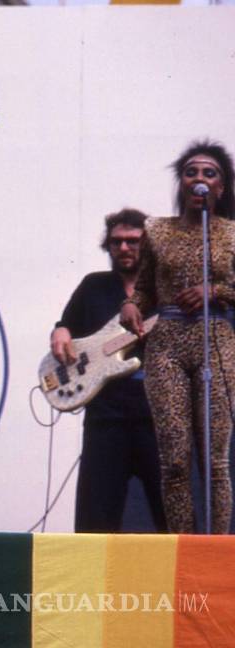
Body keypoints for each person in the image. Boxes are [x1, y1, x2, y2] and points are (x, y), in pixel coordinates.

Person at [121, 140, 235, 534]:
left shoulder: (232, 233)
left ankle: (217, 551)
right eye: (191, 172)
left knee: (215, 462)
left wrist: (214, 291)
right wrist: (132, 305)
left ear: (220, 187)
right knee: (174, 460)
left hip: (216, 342)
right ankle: (183, 547)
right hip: (166, 345)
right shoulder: (156, 230)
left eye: (209, 173)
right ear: (182, 182)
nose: (199, 178)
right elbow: (145, 289)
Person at [50, 209, 165, 532]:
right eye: (117, 242)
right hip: (106, 413)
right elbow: (66, 325)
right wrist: (60, 331)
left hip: (156, 412)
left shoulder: (166, 288)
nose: (124, 248)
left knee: (172, 514)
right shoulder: (94, 286)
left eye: (133, 241)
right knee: (95, 517)